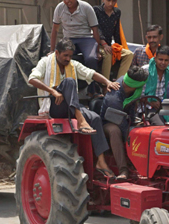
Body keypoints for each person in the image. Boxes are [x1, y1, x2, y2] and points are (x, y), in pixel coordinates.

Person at [29, 37, 120, 177]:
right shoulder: (45, 62)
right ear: (57, 53)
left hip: (72, 106)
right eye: (65, 55)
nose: (68, 59)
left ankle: (101, 161)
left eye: (70, 56)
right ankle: (81, 119)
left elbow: (90, 73)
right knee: (70, 82)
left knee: (95, 118)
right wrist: (52, 91)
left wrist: (107, 82)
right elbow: (32, 79)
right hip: (54, 106)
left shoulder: (73, 64)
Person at [100, 65, 149, 180]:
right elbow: (121, 125)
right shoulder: (114, 98)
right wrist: (134, 135)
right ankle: (124, 170)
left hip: (126, 119)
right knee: (115, 131)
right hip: (109, 122)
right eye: (141, 85)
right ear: (135, 85)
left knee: (146, 126)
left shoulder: (128, 83)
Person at [51, 0, 104, 72]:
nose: (67, 1)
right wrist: (52, 50)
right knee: (57, 58)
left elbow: (95, 30)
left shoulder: (86, 7)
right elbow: (55, 30)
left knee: (91, 59)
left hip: (86, 39)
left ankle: (92, 85)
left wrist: (97, 51)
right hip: (69, 39)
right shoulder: (59, 8)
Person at [93, 0, 134, 81]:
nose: (111, 3)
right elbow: (96, 29)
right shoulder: (96, 10)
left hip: (109, 45)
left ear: (117, 0)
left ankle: (120, 82)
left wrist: (119, 47)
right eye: (108, 0)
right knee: (108, 55)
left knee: (129, 54)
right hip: (97, 44)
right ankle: (105, 84)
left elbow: (116, 31)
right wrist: (104, 44)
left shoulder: (117, 12)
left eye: (113, 1)